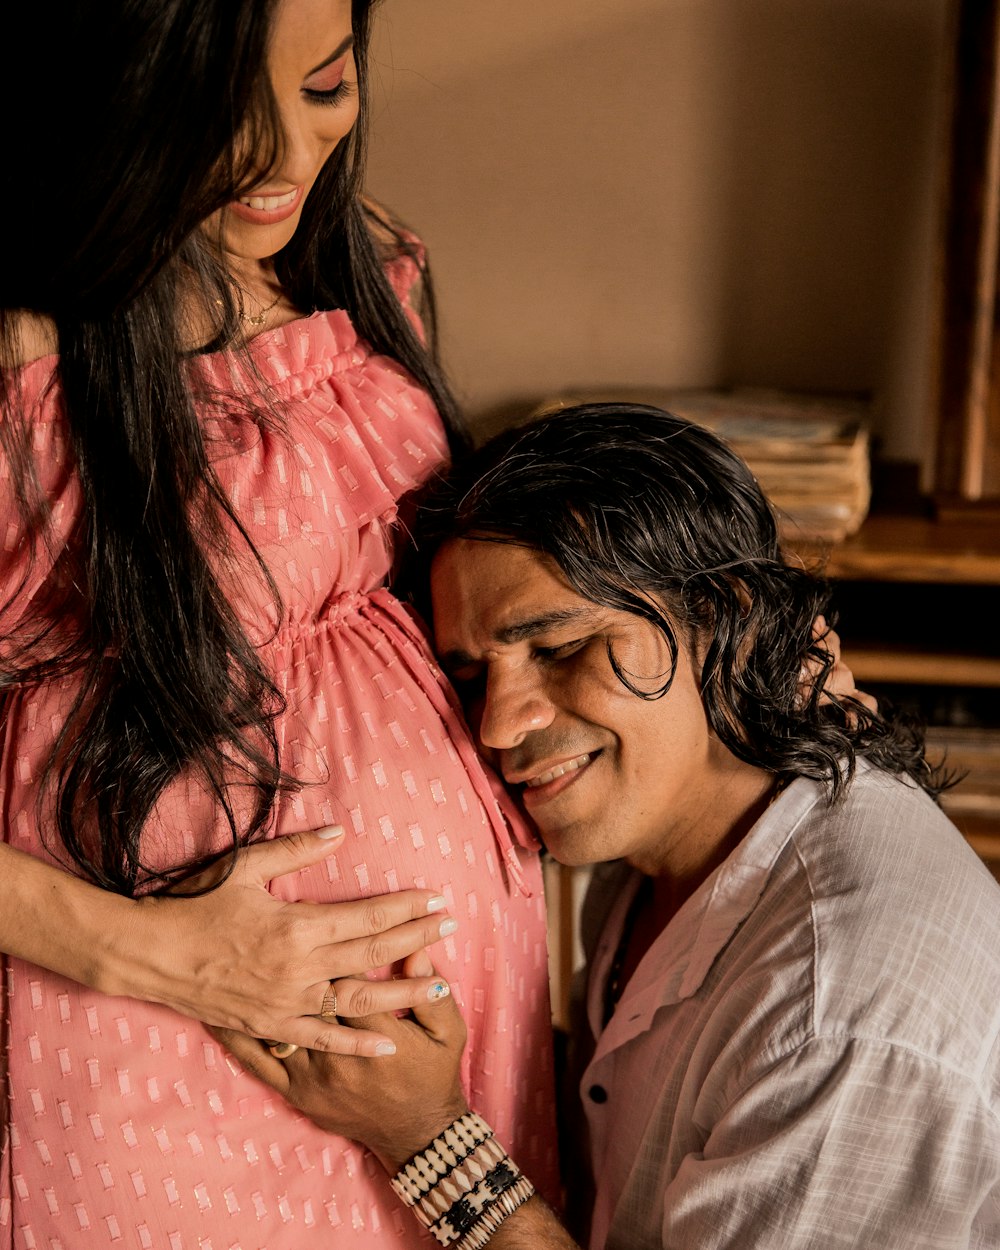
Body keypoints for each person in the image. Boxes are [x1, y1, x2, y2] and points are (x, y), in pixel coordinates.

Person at [0, 1, 558, 1245]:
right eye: (218, 116)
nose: (281, 160)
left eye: (323, 88)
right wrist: (154, 956)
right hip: (168, 1060)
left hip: (435, 1065)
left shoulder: (356, 258)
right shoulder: (30, 355)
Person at [223, 404, 1000, 1249]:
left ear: (724, 619)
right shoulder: (676, 845)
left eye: (559, 648)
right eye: (474, 675)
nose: (498, 725)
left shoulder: (836, 1018)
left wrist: (429, 1138)